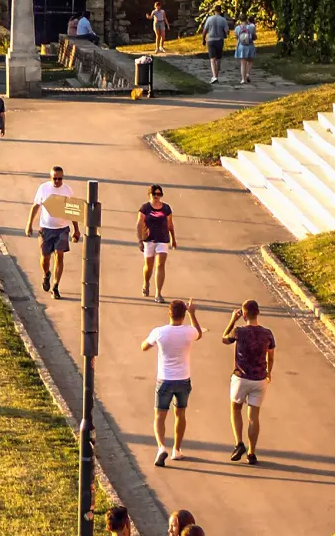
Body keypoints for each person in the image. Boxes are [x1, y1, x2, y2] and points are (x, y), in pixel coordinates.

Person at [142, 298, 203, 466]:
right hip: (183, 379)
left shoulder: (159, 332)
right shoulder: (189, 332)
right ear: (183, 315)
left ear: (169, 313)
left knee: (160, 416)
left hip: (164, 379)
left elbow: (144, 346)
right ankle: (177, 449)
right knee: (180, 414)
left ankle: (161, 447)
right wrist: (193, 314)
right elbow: (199, 333)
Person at [222, 298, 275, 464]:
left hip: (241, 378)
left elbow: (224, 339)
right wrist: (269, 373)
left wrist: (232, 320)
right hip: (260, 379)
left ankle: (239, 444)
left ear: (244, 314)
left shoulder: (239, 331)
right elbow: (271, 356)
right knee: (254, 416)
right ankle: (252, 452)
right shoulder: (267, 333)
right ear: (257, 312)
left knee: (236, 409)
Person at [25, 166, 81, 299]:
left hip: (62, 229)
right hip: (46, 229)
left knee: (59, 255)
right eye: (55, 178)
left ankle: (55, 286)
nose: (57, 181)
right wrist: (29, 225)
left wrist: (76, 230)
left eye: (60, 179)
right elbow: (35, 206)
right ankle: (46, 274)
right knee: (45, 258)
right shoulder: (44, 188)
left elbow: (72, 211)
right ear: (50, 178)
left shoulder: (67, 190)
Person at [138, 184, 177, 302]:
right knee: (148, 267)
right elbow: (139, 223)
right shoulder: (145, 208)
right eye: (154, 194)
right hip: (149, 239)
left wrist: (173, 239)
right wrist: (140, 240)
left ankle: (158, 293)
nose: (157, 196)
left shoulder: (166, 208)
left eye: (159, 194)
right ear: (150, 194)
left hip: (163, 239)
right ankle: (146, 282)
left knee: (160, 265)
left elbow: (170, 224)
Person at [202, 6, 230, 84]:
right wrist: (225, 34)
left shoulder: (209, 19)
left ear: (214, 11)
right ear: (220, 11)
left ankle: (214, 76)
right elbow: (227, 31)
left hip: (210, 40)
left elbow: (204, 30)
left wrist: (203, 39)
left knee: (212, 59)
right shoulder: (223, 20)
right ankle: (216, 75)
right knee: (218, 59)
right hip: (219, 40)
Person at [234, 15, 256, 85]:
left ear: (239, 20)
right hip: (250, 46)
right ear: (247, 19)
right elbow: (254, 36)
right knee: (250, 61)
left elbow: (236, 37)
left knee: (243, 63)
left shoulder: (237, 28)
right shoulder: (251, 27)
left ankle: (243, 79)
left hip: (241, 46)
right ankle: (247, 74)